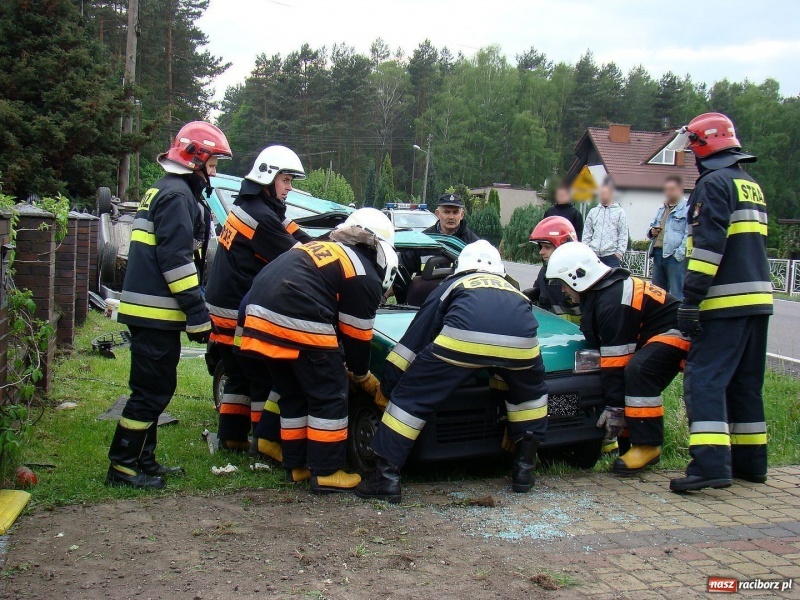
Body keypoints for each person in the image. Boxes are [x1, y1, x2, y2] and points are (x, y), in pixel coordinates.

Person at [357, 241, 549, 504]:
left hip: (461, 341)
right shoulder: (514, 291)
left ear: (460, 267)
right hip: (523, 348)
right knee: (531, 398)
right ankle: (524, 470)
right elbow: (509, 338)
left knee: (410, 399)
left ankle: (386, 478)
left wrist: (391, 388)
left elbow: (414, 341)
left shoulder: (451, 285)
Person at [238, 208, 398, 493]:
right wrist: (361, 376)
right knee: (331, 391)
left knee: (294, 392)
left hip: (259, 312)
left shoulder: (326, 248)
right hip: (295, 311)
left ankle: (297, 465)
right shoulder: (364, 273)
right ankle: (327, 472)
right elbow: (358, 337)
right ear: (382, 252)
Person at [109, 121, 232, 489]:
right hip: (154, 314)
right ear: (195, 158)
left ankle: (144, 461)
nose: (214, 171)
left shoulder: (167, 190)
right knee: (150, 392)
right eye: (212, 164)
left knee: (155, 389)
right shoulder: (178, 196)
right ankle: (124, 467)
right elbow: (176, 262)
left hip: (151, 313)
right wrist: (197, 314)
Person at [666, 112, 772, 492]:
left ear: (701, 146)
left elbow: (709, 247)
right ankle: (751, 463)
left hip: (724, 302)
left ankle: (710, 466)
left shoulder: (713, 184)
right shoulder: (749, 184)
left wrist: (691, 299)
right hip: (758, 301)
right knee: (745, 384)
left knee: (704, 380)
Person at [546, 242, 690, 475]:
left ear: (577, 276)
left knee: (639, 370)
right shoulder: (603, 296)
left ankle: (648, 445)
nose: (562, 290)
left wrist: (613, 407)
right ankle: (630, 447)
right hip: (653, 335)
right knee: (629, 375)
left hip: (675, 332)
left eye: (562, 283)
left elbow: (615, 361)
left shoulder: (611, 301)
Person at [205, 146, 311, 454]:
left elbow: (294, 233)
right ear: (268, 178)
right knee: (260, 377)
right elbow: (298, 257)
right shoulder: (262, 216)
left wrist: (330, 241)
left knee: (237, 375)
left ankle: (232, 439)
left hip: (223, 303)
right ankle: (261, 444)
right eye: (287, 180)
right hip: (235, 309)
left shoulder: (251, 205)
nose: (290, 187)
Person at [394, 193, 481, 303]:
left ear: (462, 214)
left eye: (455, 212)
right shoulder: (423, 240)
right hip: (426, 301)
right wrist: (384, 296)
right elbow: (402, 272)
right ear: (438, 214)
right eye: (446, 212)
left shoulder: (473, 243)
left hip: (459, 300)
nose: (451, 217)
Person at [523, 216, 581, 323]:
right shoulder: (544, 272)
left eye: (547, 247)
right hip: (551, 335)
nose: (541, 252)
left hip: (578, 335)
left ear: (563, 247)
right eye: (541, 247)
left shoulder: (581, 275)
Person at [647, 175, 688, 299]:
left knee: (676, 293)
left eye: (671, 189)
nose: (668, 192)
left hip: (674, 257)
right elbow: (652, 226)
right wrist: (651, 232)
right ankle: (660, 318)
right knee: (657, 294)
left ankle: (677, 318)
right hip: (658, 253)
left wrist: (679, 255)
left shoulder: (687, 209)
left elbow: (689, 234)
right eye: (666, 189)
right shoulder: (662, 208)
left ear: (680, 189)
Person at [582, 179, 628, 267]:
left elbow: (623, 234)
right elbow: (587, 233)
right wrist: (587, 250)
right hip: (593, 256)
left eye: (604, 193)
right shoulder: (593, 212)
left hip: (611, 257)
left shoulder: (620, 212)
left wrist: (619, 254)